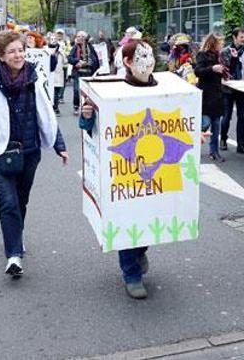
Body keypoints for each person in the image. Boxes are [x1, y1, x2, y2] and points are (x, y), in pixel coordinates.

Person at [0, 31, 69, 276]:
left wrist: (60, 146)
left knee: (21, 201)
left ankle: (15, 235)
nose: (18, 55)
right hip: (0, 152)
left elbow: (47, 117)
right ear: (1, 56)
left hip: (29, 152)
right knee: (8, 202)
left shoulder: (36, 78)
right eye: (11, 51)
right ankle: (13, 255)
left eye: (20, 50)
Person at [79, 39, 158, 299]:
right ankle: (131, 273)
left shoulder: (164, 89)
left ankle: (140, 250)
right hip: (122, 171)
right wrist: (87, 115)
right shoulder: (111, 91)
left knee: (152, 216)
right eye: (141, 56)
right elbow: (88, 129)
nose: (149, 61)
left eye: (150, 55)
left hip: (154, 170)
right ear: (126, 62)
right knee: (128, 219)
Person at [219, 27, 244, 155]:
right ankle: (223, 139)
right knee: (227, 116)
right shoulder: (225, 51)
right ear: (234, 38)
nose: (243, 39)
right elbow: (226, 70)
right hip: (228, 89)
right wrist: (234, 57)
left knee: (242, 117)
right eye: (241, 37)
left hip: (243, 88)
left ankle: (241, 145)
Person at [195, 33, 229, 162]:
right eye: (220, 43)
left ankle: (214, 152)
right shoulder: (202, 55)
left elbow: (224, 71)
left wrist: (224, 72)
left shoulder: (220, 56)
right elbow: (198, 71)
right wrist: (212, 68)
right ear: (214, 43)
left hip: (217, 95)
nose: (222, 46)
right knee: (205, 123)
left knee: (216, 126)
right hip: (206, 95)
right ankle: (193, 143)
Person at [68, 31, 99, 116]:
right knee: (77, 90)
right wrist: (78, 61)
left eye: (82, 36)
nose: (80, 38)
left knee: (89, 92)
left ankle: (88, 107)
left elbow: (95, 59)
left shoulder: (90, 47)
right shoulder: (75, 47)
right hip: (78, 73)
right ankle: (76, 106)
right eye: (78, 36)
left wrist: (89, 63)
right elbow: (70, 58)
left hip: (89, 72)